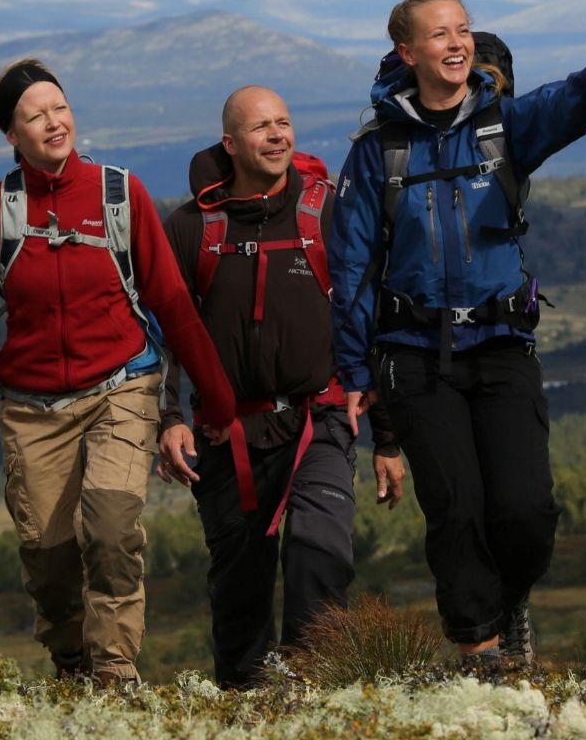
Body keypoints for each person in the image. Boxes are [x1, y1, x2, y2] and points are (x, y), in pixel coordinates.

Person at [328, 0, 586, 668]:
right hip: (415, 355)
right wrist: (353, 373)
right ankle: (481, 650)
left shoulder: (500, 125)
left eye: (463, 30)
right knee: (456, 507)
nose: (457, 43)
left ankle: (507, 599)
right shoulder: (379, 150)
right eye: (440, 34)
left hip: (501, 346)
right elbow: (350, 268)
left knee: (525, 511)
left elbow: (557, 111)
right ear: (409, 53)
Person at [0, 58, 238, 688]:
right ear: (12, 136)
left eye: (59, 107)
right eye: (35, 115)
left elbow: (171, 303)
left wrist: (215, 399)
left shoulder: (119, 193)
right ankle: (71, 661)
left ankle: (114, 674)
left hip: (122, 388)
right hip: (31, 407)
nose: (54, 122)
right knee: (48, 560)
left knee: (111, 534)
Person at [156, 85, 408, 689]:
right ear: (230, 144)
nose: (277, 136)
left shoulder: (328, 211)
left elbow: (371, 317)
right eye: (261, 128)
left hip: (319, 419)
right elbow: (163, 332)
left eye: (284, 123)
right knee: (239, 586)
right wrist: (168, 419)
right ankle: (247, 705)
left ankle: (316, 693)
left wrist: (388, 438)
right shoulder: (191, 228)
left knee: (319, 556)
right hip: (227, 434)